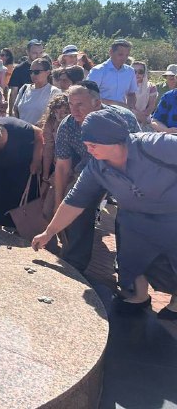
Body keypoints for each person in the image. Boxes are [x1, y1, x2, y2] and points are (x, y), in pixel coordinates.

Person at [32, 110, 177, 319]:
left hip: (172, 216)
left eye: (94, 145)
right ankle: (140, 295)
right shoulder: (96, 167)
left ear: (115, 140)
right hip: (134, 218)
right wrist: (48, 232)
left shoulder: (155, 145)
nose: (89, 150)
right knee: (133, 258)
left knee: (173, 260)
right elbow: (75, 201)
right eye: (87, 144)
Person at [53, 82, 139, 271]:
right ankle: (75, 262)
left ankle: (127, 263)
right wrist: (59, 202)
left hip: (123, 172)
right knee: (76, 203)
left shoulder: (124, 119)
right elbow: (62, 167)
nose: (74, 110)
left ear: (97, 103)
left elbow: (136, 157)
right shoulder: (67, 125)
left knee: (129, 213)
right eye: (70, 104)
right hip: (89, 171)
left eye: (80, 104)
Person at [87, 39, 137, 109]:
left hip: (122, 113)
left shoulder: (130, 71)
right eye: (120, 54)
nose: (124, 58)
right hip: (100, 111)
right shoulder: (98, 71)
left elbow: (131, 94)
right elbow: (89, 95)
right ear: (110, 52)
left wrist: (130, 108)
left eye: (127, 55)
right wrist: (117, 104)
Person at [12, 58, 59, 125]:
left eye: (36, 72)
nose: (33, 75)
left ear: (47, 72)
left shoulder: (54, 92)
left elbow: (54, 117)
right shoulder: (24, 88)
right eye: (31, 72)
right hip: (22, 132)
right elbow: (15, 110)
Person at [38, 93, 70, 182]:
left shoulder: (76, 125)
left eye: (65, 112)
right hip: (56, 164)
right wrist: (45, 174)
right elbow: (48, 148)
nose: (59, 116)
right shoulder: (50, 122)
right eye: (56, 112)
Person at [8, 39, 44, 111]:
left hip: (42, 108)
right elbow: (14, 93)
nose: (38, 56)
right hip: (24, 109)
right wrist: (12, 112)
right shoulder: (19, 69)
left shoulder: (46, 69)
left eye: (40, 53)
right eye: (35, 53)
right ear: (27, 52)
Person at [131, 60, 158, 129]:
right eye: (134, 71)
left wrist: (142, 116)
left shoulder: (151, 87)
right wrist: (136, 115)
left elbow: (151, 106)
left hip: (145, 118)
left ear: (144, 73)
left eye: (140, 72)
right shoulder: (125, 85)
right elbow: (126, 105)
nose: (137, 74)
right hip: (128, 116)